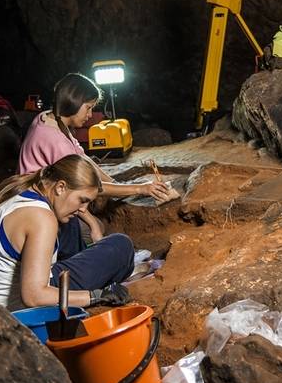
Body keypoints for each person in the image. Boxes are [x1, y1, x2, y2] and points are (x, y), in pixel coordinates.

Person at [18, 72, 169, 259]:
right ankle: (81, 263)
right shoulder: (56, 142)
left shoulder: (49, 119)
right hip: (38, 206)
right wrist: (141, 188)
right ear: (73, 102)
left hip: (49, 193)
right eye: (88, 108)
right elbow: (89, 187)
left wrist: (116, 183)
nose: (90, 115)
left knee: (93, 221)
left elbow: (82, 158)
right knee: (91, 228)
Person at [0, 154, 132, 311]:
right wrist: (95, 296)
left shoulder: (18, 187)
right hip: (15, 312)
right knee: (120, 246)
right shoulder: (41, 219)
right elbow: (34, 297)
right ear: (60, 187)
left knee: (68, 219)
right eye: (82, 200)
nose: (83, 209)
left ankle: (79, 260)